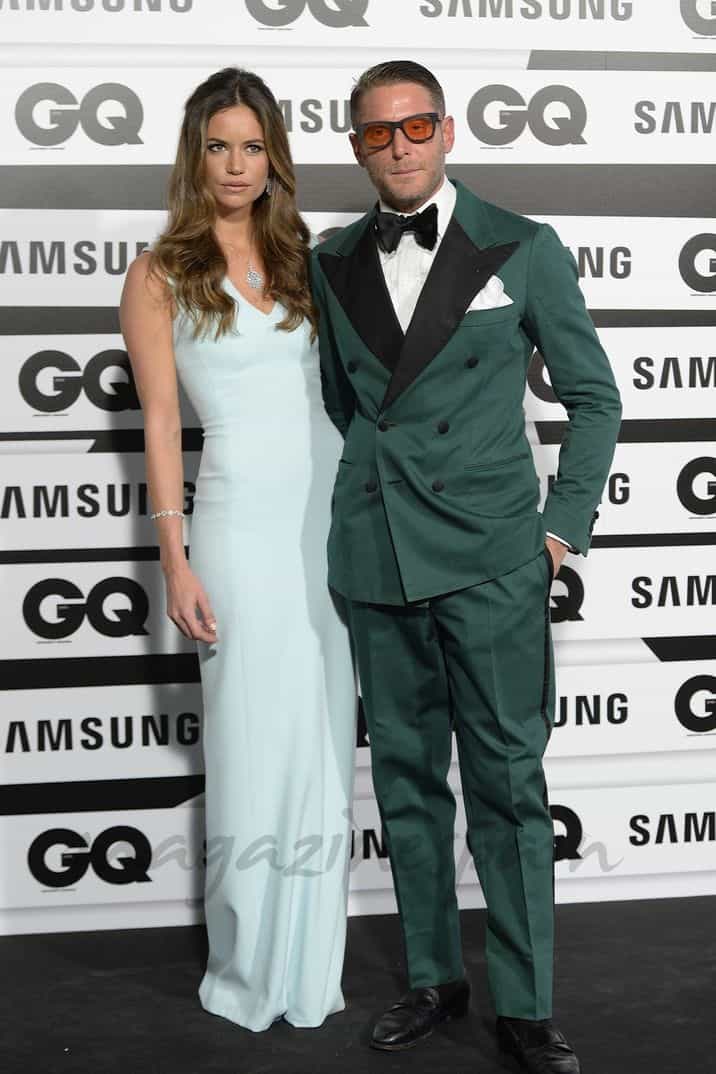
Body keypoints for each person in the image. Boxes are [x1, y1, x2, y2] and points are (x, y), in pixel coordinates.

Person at [310, 60, 621, 1073]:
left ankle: (524, 1006)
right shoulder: (330, 258)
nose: (398, 146)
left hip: (491, 559)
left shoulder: (521, 245)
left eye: (416, 126)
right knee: (405, 782)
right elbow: (348, 403)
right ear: (357, 146)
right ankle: (432, 979)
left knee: (508, 785)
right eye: (377, 132)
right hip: (380, 556)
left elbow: (594, 397)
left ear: (447, 132)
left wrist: (558, 529)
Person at [120, 67, 356, 1033]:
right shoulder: (159, 272)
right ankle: (252, 964)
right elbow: (161, 422)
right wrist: (173, 561)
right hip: (235, 529)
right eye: (218, 146)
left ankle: (313, 968)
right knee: (253, 748)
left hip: (328, 529)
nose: (235, 165)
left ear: (274, 159)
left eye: (253, 147)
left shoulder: (310, 259)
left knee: (323, 746)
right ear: (195, 156)